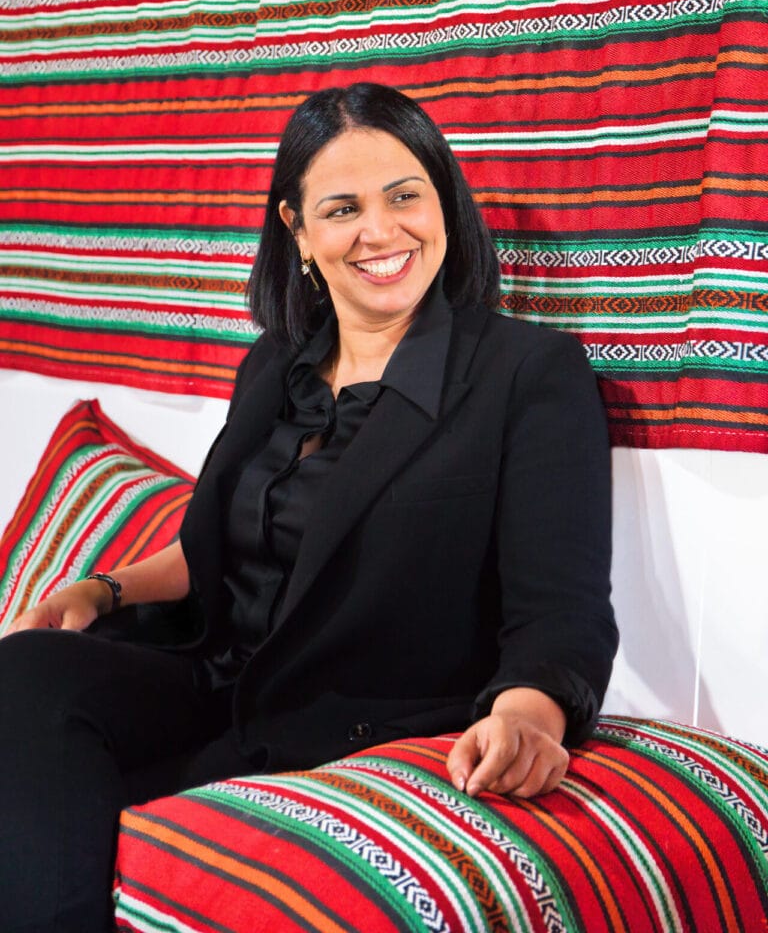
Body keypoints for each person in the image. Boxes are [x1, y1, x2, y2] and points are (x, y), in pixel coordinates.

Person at [0, 82, 618, 932]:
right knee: (27, 670)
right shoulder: (276, 364)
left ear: (443, 199)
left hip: (346, 709)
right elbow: (214, 545)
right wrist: (100, 591)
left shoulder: (528, 373)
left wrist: (526, 715)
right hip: (217, 678)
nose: (380, 231)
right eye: (342, 208)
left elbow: (564, 611)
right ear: (296, 229)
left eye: (405, 195)